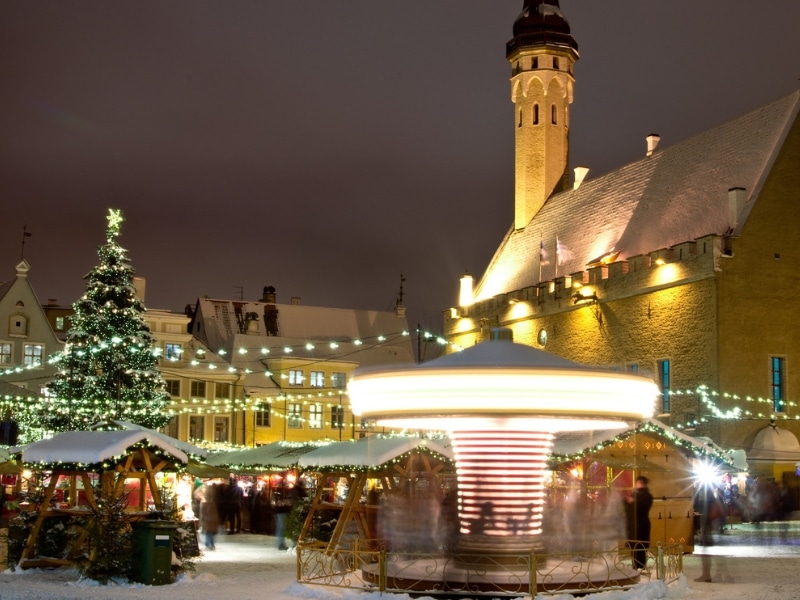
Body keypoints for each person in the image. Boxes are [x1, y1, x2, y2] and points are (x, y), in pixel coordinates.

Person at [624, 475, 653, 571]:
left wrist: (633, 502)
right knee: (635, 547)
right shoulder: (635, 494)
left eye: (636, 483)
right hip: (634, 525)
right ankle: (636, 566)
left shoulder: (646, 496)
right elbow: (628, 508)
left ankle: (640, 566)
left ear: (640, 483)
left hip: (640, 525)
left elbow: (642, 509)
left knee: (640, 547)